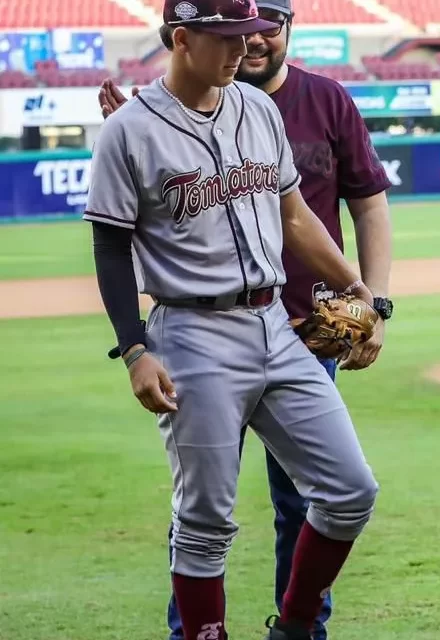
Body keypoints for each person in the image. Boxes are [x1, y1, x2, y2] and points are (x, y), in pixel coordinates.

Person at [83, 0, 381, 638]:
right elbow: (110, 244)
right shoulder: (129, 131)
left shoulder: (258, 108)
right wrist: (135, 351)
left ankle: (296, 626)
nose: (243, 48)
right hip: (192, 334)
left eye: (248, 34)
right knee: (205, 520)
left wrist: (357, 287)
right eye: (227, 38)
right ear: (182, 38)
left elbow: (295, 215)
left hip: (276, 321)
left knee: (350, 489)